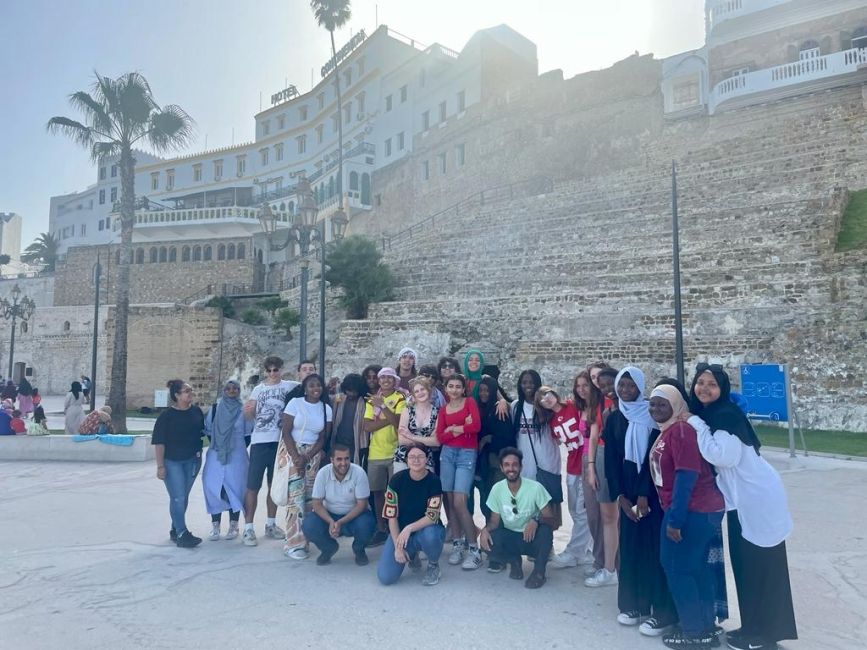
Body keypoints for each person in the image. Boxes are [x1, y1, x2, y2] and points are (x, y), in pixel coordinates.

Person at [688, 364, 797, 650]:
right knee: (745, 567)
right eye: (700, 382)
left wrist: (696, 424)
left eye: (712, 384)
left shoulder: (724, 416)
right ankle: (752, 627)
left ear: (722, 389)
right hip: (741, 501)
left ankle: (765, 636)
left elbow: (723, 456)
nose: (704, 388)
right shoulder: (713, 414)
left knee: (761, 568)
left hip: (757, 499)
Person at [648, 384, 726, 649]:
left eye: (662, 404)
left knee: (676, 569)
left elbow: (686, 475)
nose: (656, 409)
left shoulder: (680, 431)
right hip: (698, 510)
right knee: (696, 569)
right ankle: (704, 628)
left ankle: (694, 633)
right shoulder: (671, 430)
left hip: (691, 511)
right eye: (653, 404)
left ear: (676, 405)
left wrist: (675, 519)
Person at [605, 367, 678, 637]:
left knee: (654, 551)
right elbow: (611, 460)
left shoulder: (653, 415)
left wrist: (644, 493)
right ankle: (633, 604)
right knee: (631, 550)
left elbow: (653, 458)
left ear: (639, 387)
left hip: (652, 497)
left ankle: (659, 609)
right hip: (627, 496)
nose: (625, 390)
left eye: (630, 385)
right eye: (621, 385)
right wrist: (621, 497)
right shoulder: (614, 418)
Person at [480, 447, 556, 589]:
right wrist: (485, 530)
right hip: (512, 538)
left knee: (546, 532)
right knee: (488, 540)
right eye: (507, 465)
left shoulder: (535, 487)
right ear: (502, 468)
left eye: (515, 464)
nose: (511, 468)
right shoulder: (497, 489)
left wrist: (536, 520)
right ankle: (514, 561)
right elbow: (494, 522)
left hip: (531, 538)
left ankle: (539, 573)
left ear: (521, 467)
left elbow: (551, 519)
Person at [537, 384, 593, 571]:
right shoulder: (552, 423)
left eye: (548, 394)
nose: (547, 399)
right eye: (542, 399)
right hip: (572, 465)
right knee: (575, 511)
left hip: (585, 462)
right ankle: (588, 549)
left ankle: (574, 551)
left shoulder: (573, 406)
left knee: (583, 510)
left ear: (554, 393)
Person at [242, 356, 295, 547]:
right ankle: (248, 527)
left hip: (279, 443)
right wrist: (247, 411)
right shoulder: (259, 389)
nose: (273, 373)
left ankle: (271, 524)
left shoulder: (290, 386)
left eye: (276, 370)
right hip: (259, 442)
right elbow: (250, 415)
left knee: (274, 485)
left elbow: (308, 385)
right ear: (265, 371)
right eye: (270, 370)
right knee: (253, 486)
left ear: (281, 370)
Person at [376, 444, 445, 587]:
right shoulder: (396, 480)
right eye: (412, 457)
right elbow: (392, 516)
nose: (416, 460)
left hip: (425, 530)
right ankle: (412, 555)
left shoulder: (434, 481)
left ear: (427, 459)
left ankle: (433, 565)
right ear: (406, 460)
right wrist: (397, 547)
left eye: (420, 456)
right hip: (400, 534)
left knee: (431, 536)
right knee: (386, 577)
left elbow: (432, 516)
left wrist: (409, 528)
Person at [281, 373, 333, 559]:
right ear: (305, 388)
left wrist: (308, 456)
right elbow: (286, 431)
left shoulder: (326, 408)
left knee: (310, 499)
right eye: (311, 385)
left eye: (318, 385)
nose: (315, 389)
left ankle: (307, 539)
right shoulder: (295, 403)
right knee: (295, 498)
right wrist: (297, 457)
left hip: (313, 454)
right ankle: (293, 543)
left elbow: (322, 437)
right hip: (292, 451)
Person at [436, 373, 482, 570]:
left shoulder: (470, 402)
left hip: (466, 454)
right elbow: (440, 436)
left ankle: (473, 548)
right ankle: (457, 544)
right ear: (446, 389)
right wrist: (464, 427)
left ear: (464, 389)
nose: (454, 389)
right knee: (450, 500)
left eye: (458, 386)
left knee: (459, 501)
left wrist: (455, 428)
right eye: (451, 386)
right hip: (447, 455)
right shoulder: (444, 409)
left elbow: (477, 426)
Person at [152, 379, 206, 548]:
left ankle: (175, 529)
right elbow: (159, 443)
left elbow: (203, 433)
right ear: (177, 395)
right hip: (172, 462)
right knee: (178, 497)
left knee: (183, 497)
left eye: (190, 390)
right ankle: (183, 533)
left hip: (193, 460)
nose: (190, 393)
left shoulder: (196, 411)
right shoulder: (166, 416)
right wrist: (160, 466)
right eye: (186, 391)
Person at [302, 443, 376, 566]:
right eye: (339, 459)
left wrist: (340, 522)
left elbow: (362, 504)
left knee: (368, 524)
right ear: (331, 460)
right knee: (309, 525)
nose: (344, 463)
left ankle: (359, 549)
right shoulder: (323, 473)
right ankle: (328, 548)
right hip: (329, 515)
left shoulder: (359, 473)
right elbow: (317, 503)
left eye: (347, 458)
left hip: (354, 516)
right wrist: (331, 521)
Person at [581, 368, 619, 588]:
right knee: (607, 517)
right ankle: (609, 567)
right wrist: (592, 467)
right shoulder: (600, 404)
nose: (602, 386)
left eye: (605, 382)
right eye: (596, 381)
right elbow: (594, 437)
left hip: (624, 459)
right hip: (604, 456)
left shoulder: (628, 401)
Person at [511, 371, 563, 532]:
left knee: (547, 505)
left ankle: (548, 543)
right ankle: (531, 543)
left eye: (532, 382)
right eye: (524, 382)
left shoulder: (545, 405)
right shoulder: (515, 407)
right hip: (525, 462)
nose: (528, 386)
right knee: (528, 503)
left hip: (546, 461)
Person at [203, 379, 252, 541]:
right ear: (224, 391)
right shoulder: (216, 409)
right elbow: (209, 431)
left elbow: (248, 435)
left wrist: (233, 447)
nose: (232, 391)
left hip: (237, 455)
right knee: (214, 487)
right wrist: (221, 445)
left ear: (239, 391)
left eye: (235, 389)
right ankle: (215, 526)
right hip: (216, 455)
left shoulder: (243, 410)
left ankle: (233, 525)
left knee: (236, 489)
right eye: (228, 388)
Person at [363, 367, 407, 547]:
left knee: (396, 492)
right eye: (383, 378)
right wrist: (388, 414)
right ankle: (381, 528)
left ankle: (395, 527)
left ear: (395, 380)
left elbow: (398, 422)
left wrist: (381, 406)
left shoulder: (400, 398)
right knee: (377, 492)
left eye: (389, 378)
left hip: (395, 451)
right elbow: (367, 427)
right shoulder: (372, 400)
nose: (386, 381)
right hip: (376, 452)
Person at [475, 374, 515, 526]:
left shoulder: (499, 409)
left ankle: (499, 533)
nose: (483, 393)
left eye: (487, 390)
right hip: (486, 462)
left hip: (497, 462)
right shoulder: (485, 409)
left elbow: (507, 436)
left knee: (497, 499)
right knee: (487, 498)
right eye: (481, 390)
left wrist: (487, 439)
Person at [394, 376, 440, 473]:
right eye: (417, 391)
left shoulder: (437, 413)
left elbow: (436, 441)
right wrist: (427, 440)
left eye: (422, 389)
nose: (420, 393)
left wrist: (410, 436)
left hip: (426, 457)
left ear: (429, 390)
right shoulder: (407, 411)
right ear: (413, 395)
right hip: (403, 456)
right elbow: (402, 440)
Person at [330, 373, 367, 464]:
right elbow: (328, 399)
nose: (352, 394)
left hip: (355, 443)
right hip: (338, 441)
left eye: (355, 391)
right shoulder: (339, 399)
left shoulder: (363, 402)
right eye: (349, 390)